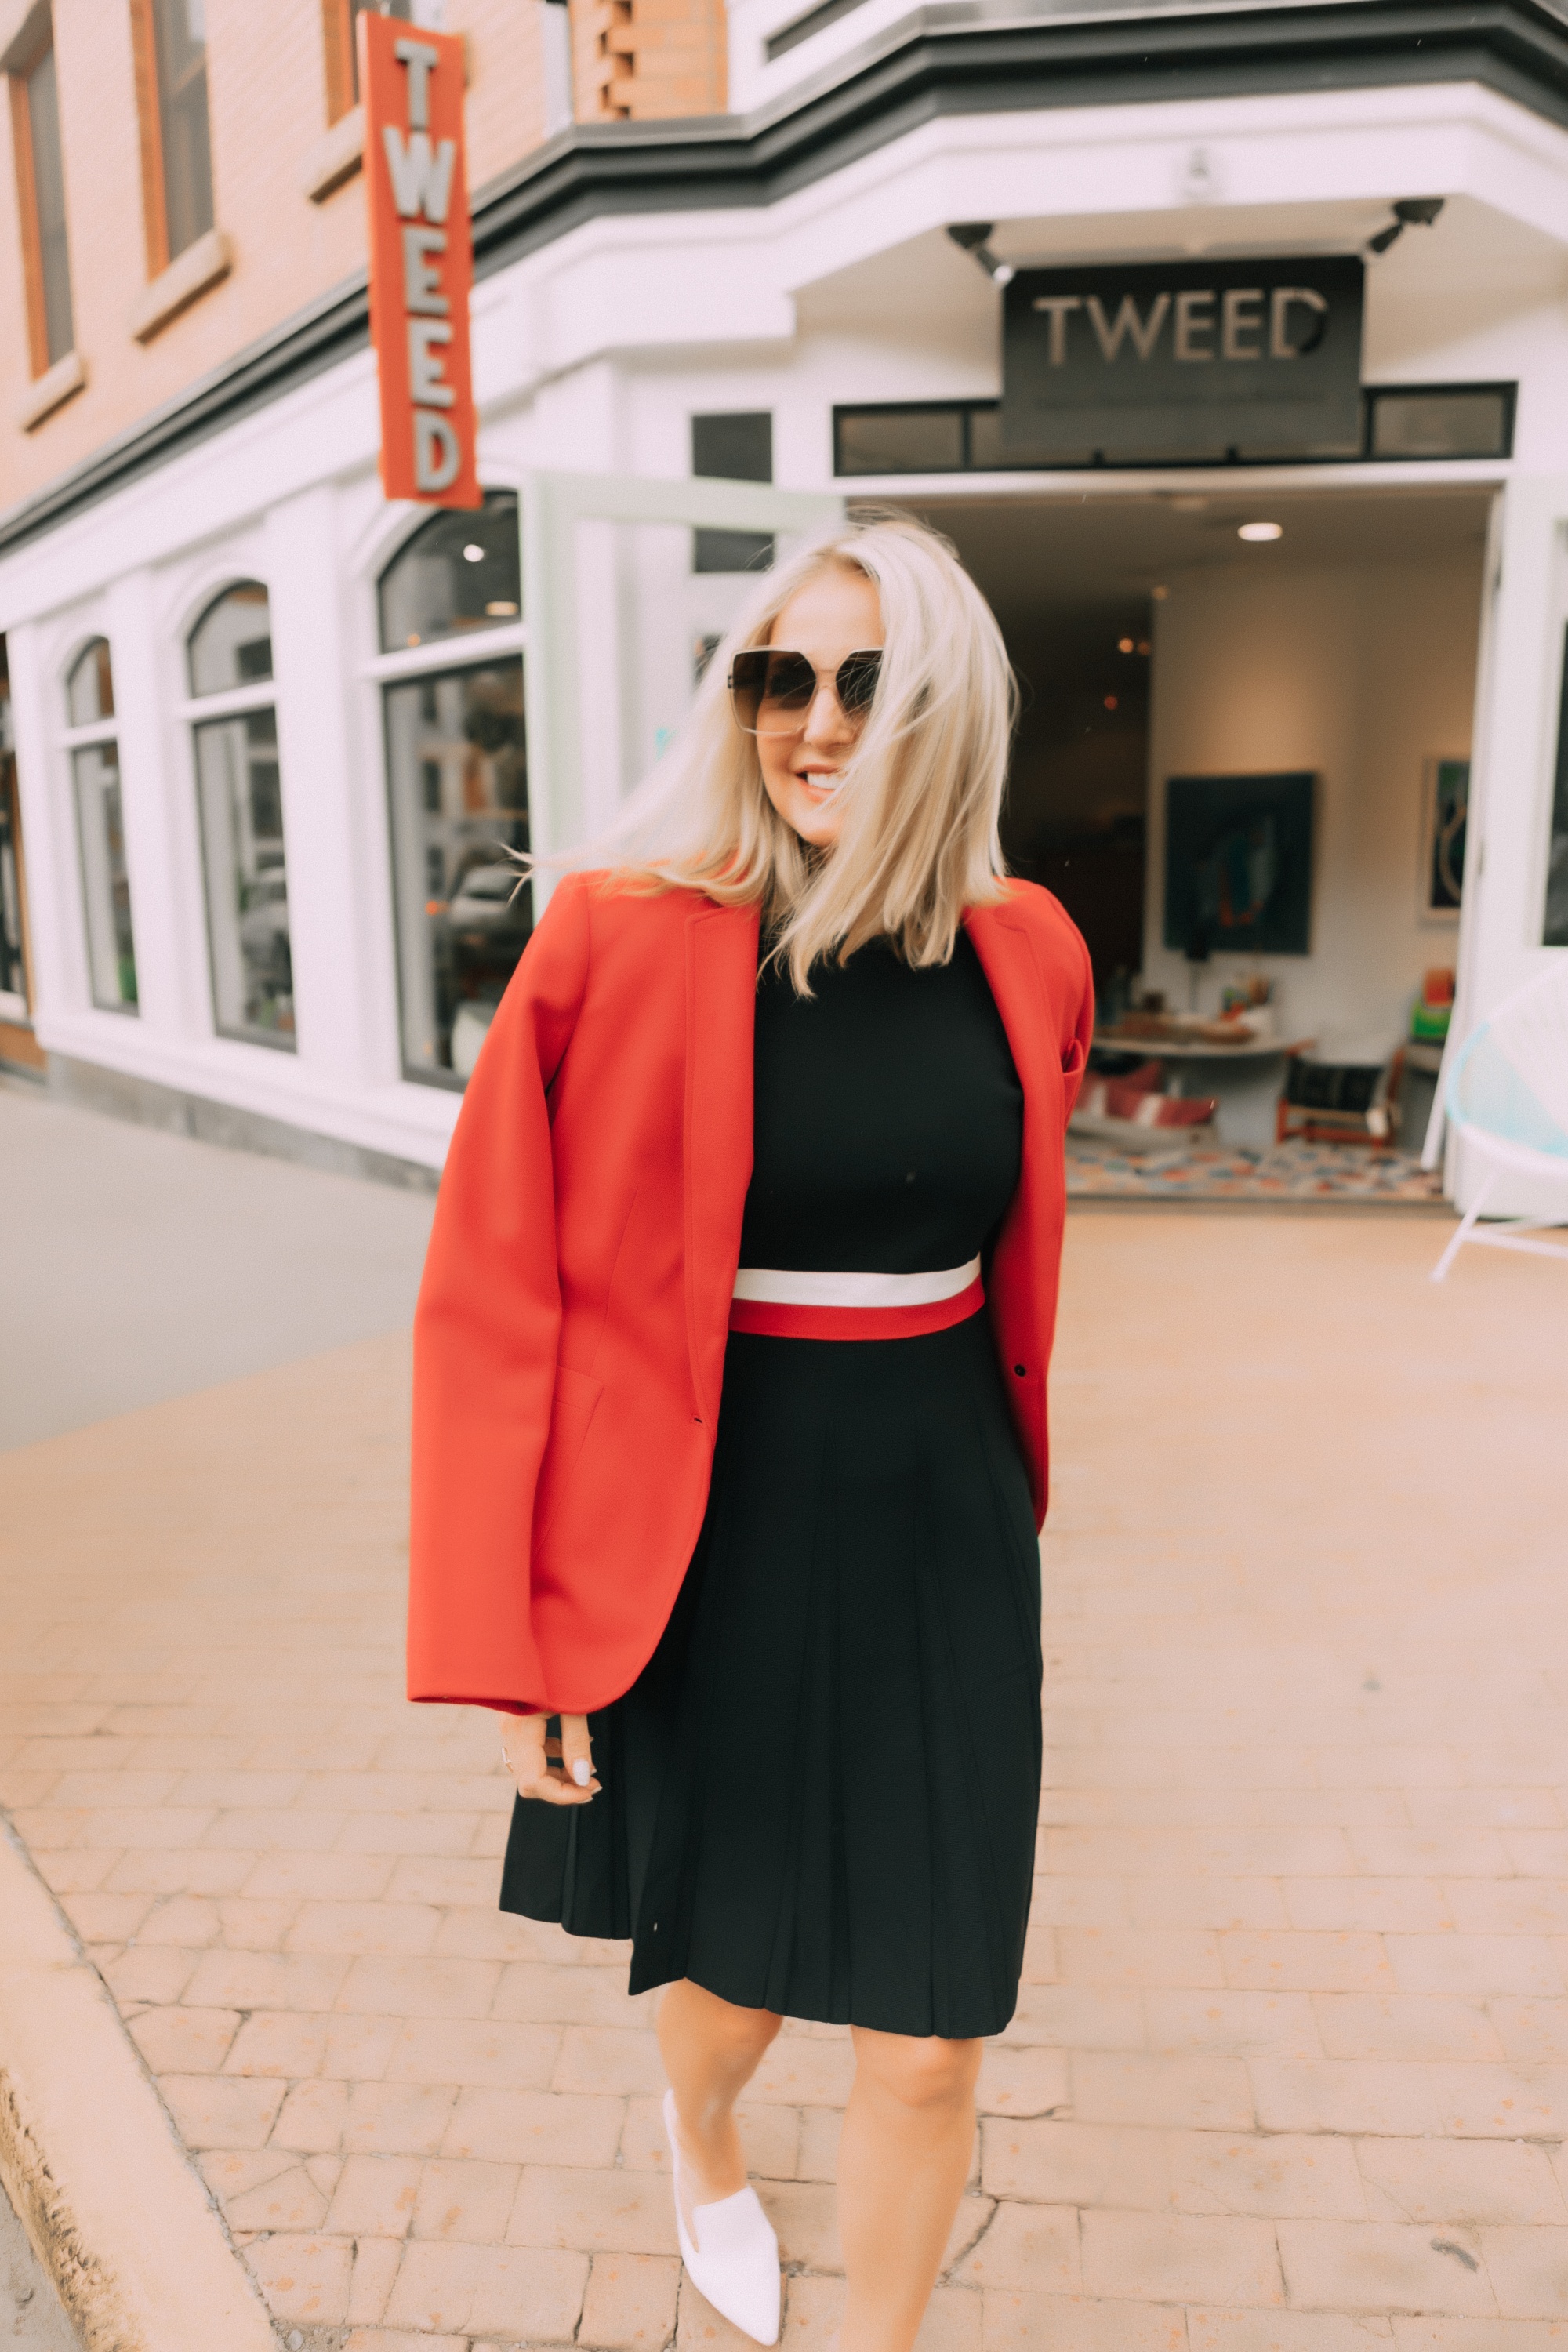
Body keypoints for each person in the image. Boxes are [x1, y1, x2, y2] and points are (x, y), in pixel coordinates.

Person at [407, 513, 1093, 2352]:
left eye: (868, 684)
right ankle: (698, 2132)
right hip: (702, 1522)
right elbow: (493, 1302)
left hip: (940, 1518)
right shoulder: (617, 941)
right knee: (730, 1979)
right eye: (779, 675)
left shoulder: (1032, 952)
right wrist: (518, 1639)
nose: (814, 722)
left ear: (948, 714)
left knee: (936, 2031)